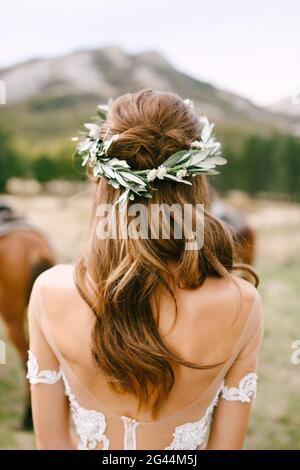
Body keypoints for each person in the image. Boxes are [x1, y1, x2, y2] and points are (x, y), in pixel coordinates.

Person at [26, 89, 263, 450]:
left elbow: (52, 444)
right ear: (197, 180)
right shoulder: (242, 304)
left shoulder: (49, 292)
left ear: (102, 179)